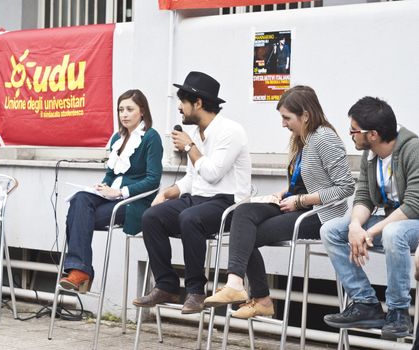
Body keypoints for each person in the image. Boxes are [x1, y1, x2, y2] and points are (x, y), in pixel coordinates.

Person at [204, 85, 355, 319]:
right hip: (295, 204)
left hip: (320, 214)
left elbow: (345, 187)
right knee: (241, 214)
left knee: (246, 234)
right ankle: (238, 285)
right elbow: (304, 179)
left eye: (287, 118)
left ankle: (260, 299)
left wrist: (301, 200)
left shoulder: (325, 138)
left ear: (305, 115)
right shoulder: (303, 138)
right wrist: (284, 193)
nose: (283, 124)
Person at [132, 71, 252, 314]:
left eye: (182, 102)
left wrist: (188, 145)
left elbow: (212, 174)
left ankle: (196, 291)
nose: (179, 107)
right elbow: (192, 178)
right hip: (196, 199)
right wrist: (168, 192)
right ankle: (166, 284)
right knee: (151, 217)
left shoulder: (231, 131)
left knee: (190, 218)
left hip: (228, 204)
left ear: (197, 103)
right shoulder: (196, 133)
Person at [321, 97, 419, 339]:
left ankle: (398, 311)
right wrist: (355, 226)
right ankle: (366, 303)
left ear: (372, 134)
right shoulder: (371, 154)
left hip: (413, 222)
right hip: (392, 221)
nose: (351, 135)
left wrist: (370, 232)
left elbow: (414, 205)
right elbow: (363, 196)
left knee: (392, 232)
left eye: (354, 130)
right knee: (331, 230)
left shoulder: (413, 150)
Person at [59, 89, 163, 293]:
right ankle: (81, 270)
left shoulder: (151, 137)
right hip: (111, 198)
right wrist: (102, 187)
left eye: (129, 109)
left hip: (133, 202)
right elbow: (111, 174)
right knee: (79, 199)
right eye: (120, 109)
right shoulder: (117, 138)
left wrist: (121, 192)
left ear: (142, 111)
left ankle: (80, 271)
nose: (124, 114)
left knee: (76, 215)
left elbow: (153, 180)